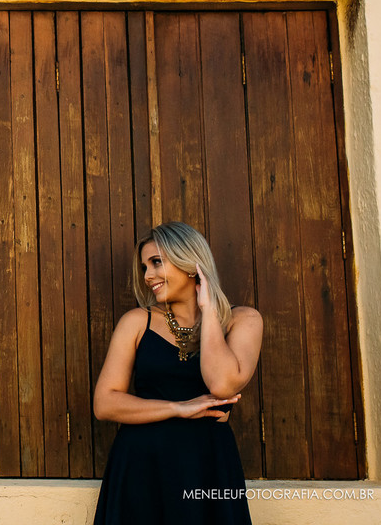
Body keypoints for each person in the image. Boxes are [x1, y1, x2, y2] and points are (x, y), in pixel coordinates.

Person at [92, 222, 263, 524]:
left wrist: (208, 308)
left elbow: (222, 385)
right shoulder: (136, 322)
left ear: (191, 262)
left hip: (207, 465)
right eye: (145, 267)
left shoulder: (243, 320)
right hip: (142, 466)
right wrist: (178, 408)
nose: (147, 276)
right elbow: (104, 404)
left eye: (156, 262)